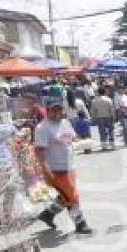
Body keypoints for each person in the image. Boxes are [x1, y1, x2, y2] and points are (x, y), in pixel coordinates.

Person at [35, 96, 92, 235]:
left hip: (70, 166)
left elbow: (73, 137)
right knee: (72, 196)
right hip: (56, 169)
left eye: (59, 109)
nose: (56, 113)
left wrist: (81, 141)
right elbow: (39, 151)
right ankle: (80, 224)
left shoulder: (65, 122)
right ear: (47, 111)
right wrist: (45, 169)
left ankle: (47, 214)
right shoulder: (42, 127)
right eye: (53, 110)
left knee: (65, 196)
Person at [90, 86, 116, 150]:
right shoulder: (108, 99)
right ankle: (112, 144)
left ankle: (104, 145)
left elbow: (93, 111)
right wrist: (114, 117)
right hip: (108, 116)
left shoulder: (94, 101)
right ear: (104, 92)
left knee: (102, 132)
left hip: (99, 117)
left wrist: (93, 117)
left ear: (98, 93)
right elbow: (112, 109)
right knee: (111, 131)